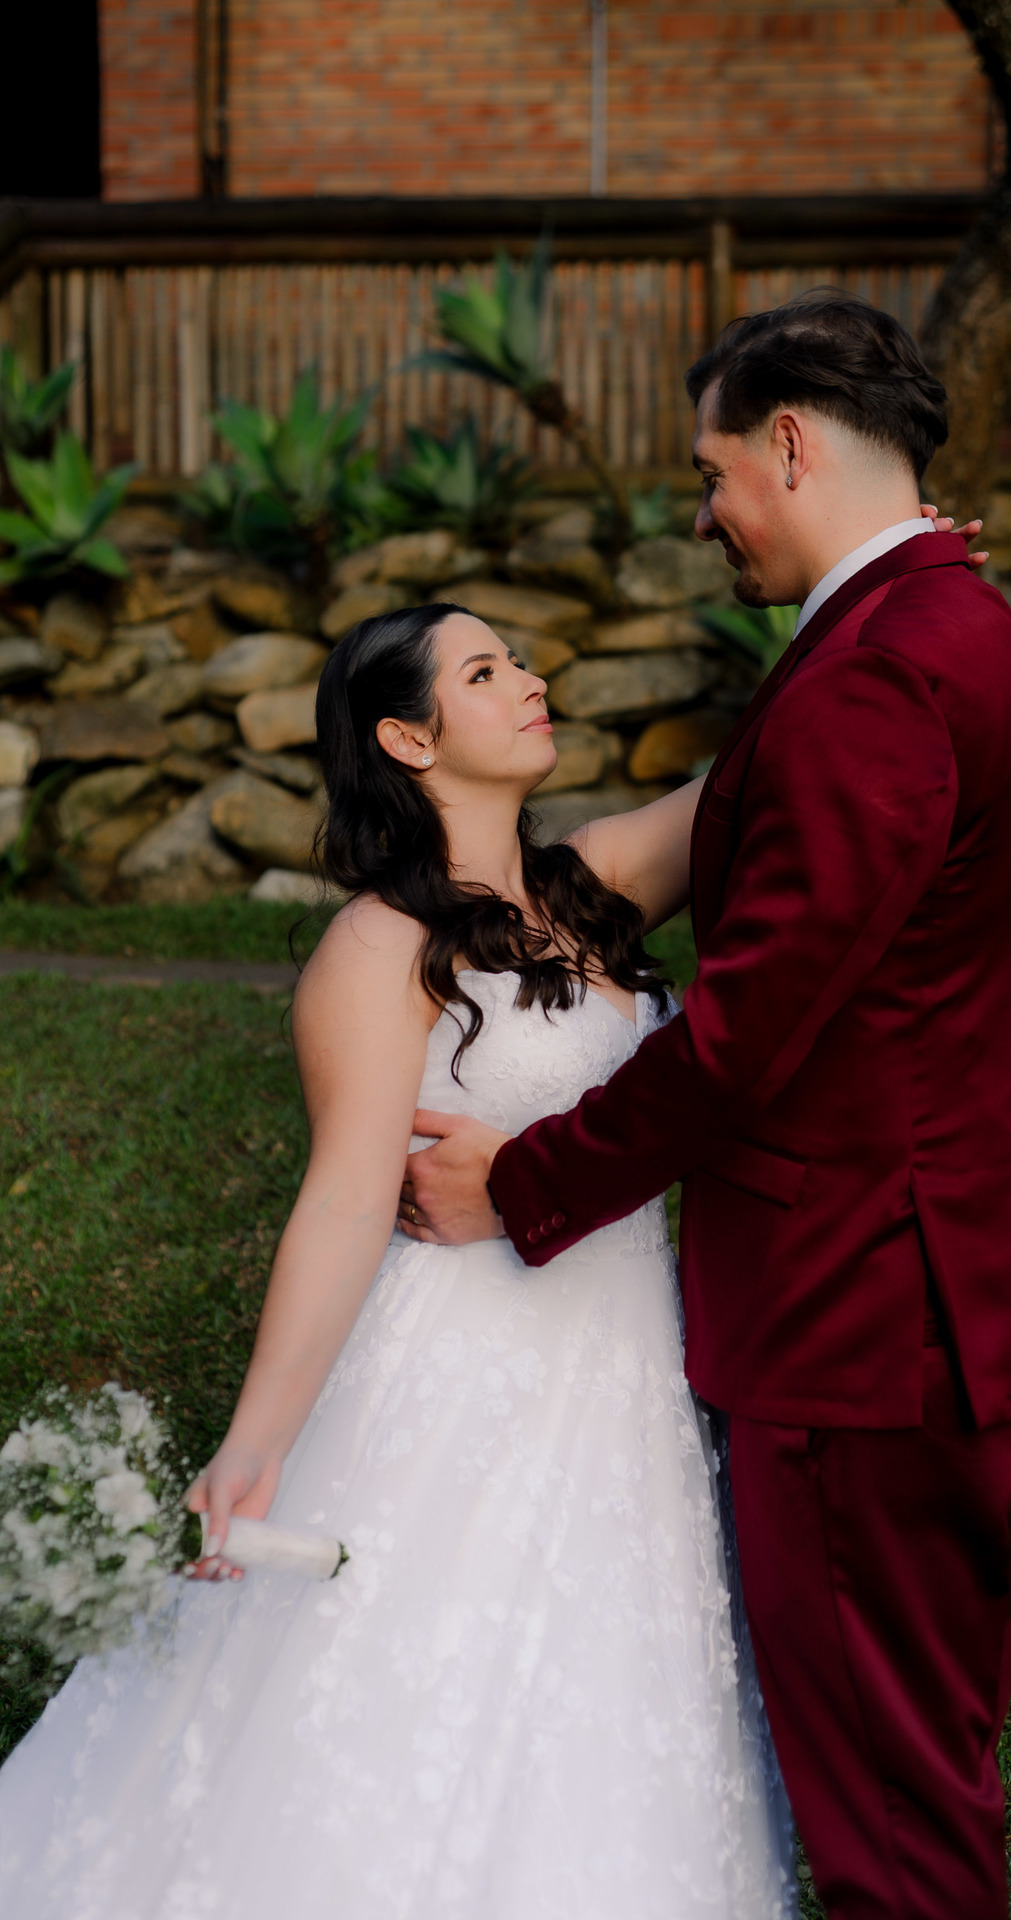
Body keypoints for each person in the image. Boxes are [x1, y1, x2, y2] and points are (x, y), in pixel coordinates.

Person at [400, 289, 1011, 1920]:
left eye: (711, 473)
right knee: (922, 1769)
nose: (704, 513)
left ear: (789, 445)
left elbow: (748, 1036)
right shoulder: (962, 633)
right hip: (968, 1289)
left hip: (863, 1317)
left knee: (890, 1830)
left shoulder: (880, 673)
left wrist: (528, 1183)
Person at [0, 605, 796, 1918]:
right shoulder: (376, 947)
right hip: (462, 1376)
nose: (531, 680)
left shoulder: (598, 881)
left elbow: (768, 768)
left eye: (519, 659)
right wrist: (255, 1444)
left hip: (627, 1382)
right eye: (485, 672)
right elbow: (342, 1201)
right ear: (409, 739)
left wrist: (875, 589)